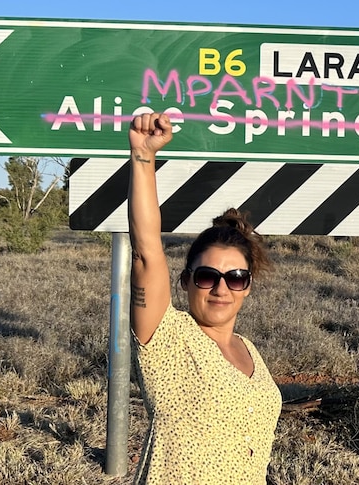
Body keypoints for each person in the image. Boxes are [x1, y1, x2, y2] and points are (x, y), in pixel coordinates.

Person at [127, 112, 281, 484]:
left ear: (248, 284)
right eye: (208, 276)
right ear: (185, 281)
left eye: (236, 277)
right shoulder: (167, 339)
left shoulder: (249, 351)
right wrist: (143, 157)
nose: (221, 288)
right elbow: (147, 250)